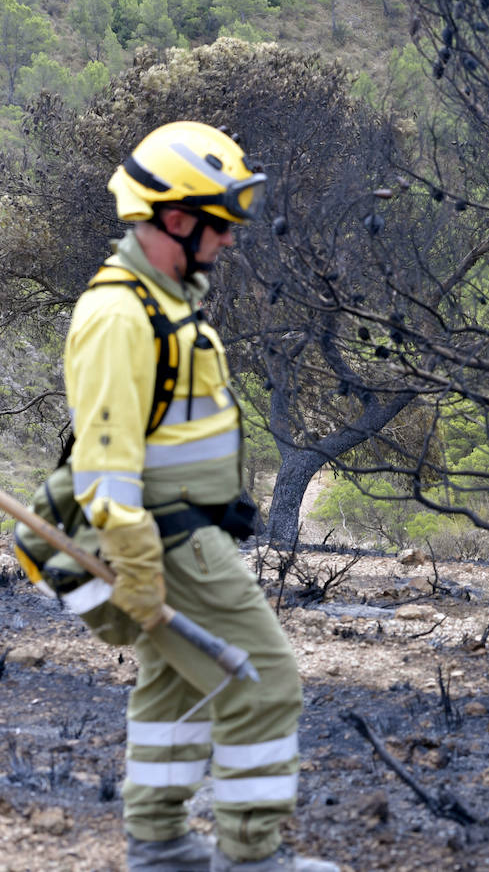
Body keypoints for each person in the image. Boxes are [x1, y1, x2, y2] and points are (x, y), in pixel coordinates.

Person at [74, 121, 336, 871]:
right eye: (217, 223)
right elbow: (104, 460)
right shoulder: (120, 315)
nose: (228, 238)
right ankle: (252, 856)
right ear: (174, 218)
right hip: (166, 539)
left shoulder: (161, 303)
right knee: (264, 681)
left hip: (186, 533)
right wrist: (136, 562)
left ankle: (159, 849)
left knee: (175, 687)